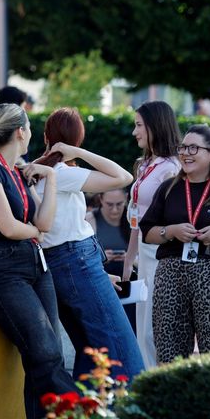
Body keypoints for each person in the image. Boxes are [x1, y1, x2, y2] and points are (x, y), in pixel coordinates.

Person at [0, 103, 77, 419]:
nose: (32, 134)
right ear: (21, 132)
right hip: (2, 268)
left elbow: (44, 222)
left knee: (46, 357)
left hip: (34, 264)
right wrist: (34, 231)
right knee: (46, 351)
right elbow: (9, 227)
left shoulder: (15, 171)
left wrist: (49, 176)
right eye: (30, 128)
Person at [31, 109, 142, 380]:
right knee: (119, 345)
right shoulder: (61, 173)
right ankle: (130, 410)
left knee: (90, 349)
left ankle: (84, 412)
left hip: (62, 262)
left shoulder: (40, 170)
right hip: (76, 260)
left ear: (46, 135)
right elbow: (123, 177)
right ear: (77, 139)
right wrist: (78, 153)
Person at [139, 125, 210, 363]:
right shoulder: (169, 187)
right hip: (171, 274)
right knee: (170, 350)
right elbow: (147, 232)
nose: (185, 153)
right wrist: (170, 231)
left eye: (194, 148)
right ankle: (173, 399)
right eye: (183, 147)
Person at [122, 101, 182, 368]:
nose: (134, 132)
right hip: (144, 255)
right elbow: (137, 217)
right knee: (143, 328)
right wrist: (128, 258)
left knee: (156, 329)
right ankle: (146, 385)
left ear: (155, 126)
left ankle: (157, 387)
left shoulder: (172, 169)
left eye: (138, 125)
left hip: (163, 255)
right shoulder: (146, 164)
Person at [87, 188, 132, 277]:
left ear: (126, 198)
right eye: (109, 204)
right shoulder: (90, 219)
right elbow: (84, 256)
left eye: (119, 204)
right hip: (101, 276)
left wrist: (130, 258)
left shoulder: (133, 219)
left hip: (130, 275)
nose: (115, 210)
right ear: (101, 199)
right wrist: (101, 257)